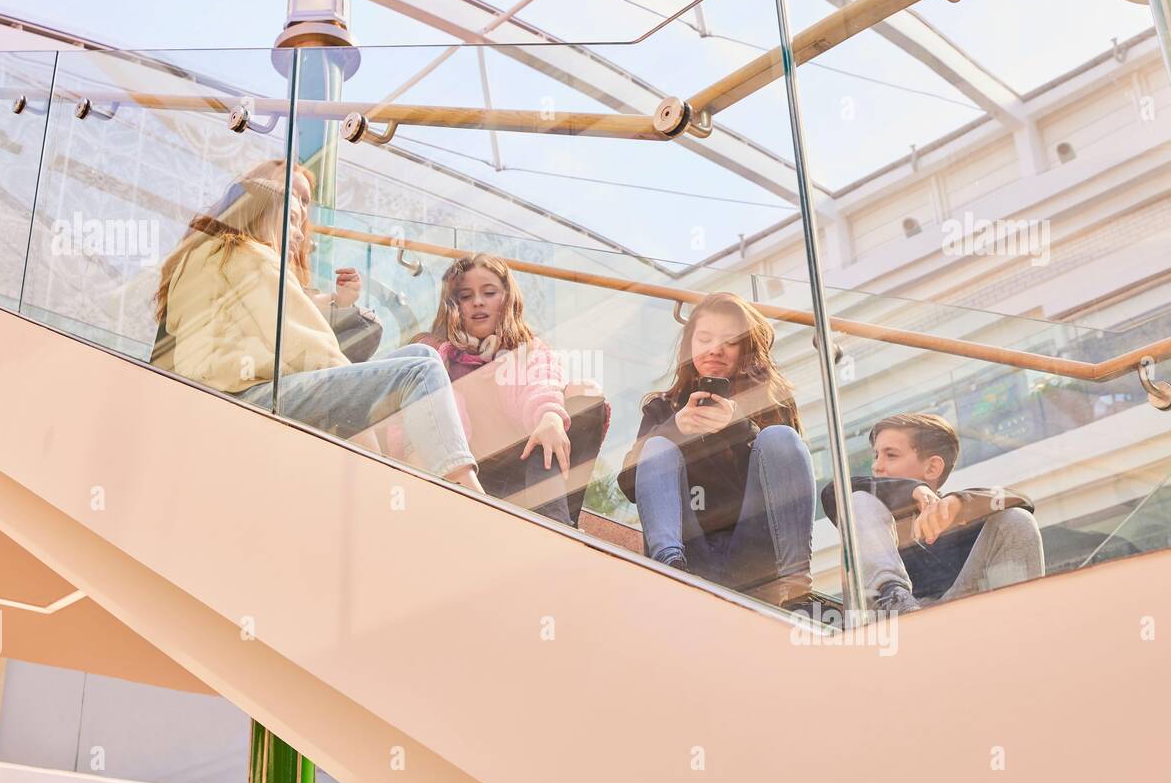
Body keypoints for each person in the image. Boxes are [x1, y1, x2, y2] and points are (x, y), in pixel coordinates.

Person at [151, 159, 482, 492]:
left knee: (423, 355)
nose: (300, 231)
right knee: (419, 372)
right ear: (263, 211)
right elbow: (307, 345)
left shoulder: (208, 255)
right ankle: (467, 491)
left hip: (229, 392)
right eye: (292, 217)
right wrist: (360, 413)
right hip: (245, 396)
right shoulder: (251, 256)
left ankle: (437, 474)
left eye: (304, 210)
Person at [617, 292, 815, 607]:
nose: (715, 349)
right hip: (689, 550)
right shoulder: (663, 408)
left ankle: (796, 586)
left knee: (780, 438)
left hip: (757, 554)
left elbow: (787, 472)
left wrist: (739, 425)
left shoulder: (771, 401)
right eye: (704, 338)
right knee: (657, 445)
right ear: (689, 346)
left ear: (747, 347)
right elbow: (629, 485)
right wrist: (675, 429)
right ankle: (668, 568)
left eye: (730, 341)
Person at [407, 253, 609, 526]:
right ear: (453, 305)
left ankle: (555, 526)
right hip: (468, 480)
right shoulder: (434, 354)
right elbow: (406, 418)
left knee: (585, 397)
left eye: (489, 292)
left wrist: (549, 416)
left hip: (531, 478)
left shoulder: (528, 349)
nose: (478, 301)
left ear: (506, 300)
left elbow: (543, 382)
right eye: (466, 296)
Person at [820, 412, 1044, 613]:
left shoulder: (960, 517)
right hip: (887, 629)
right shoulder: (868, 512)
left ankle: (1019, 623)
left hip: (954, 623)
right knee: (858, 500)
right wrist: (911, 490)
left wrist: (960, 502)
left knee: (1015, 517)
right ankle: (894, 601)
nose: (877, 466)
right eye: (876, 455)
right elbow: (832, 492)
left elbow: (1022, 501)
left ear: (932, 468)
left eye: (891, 455)